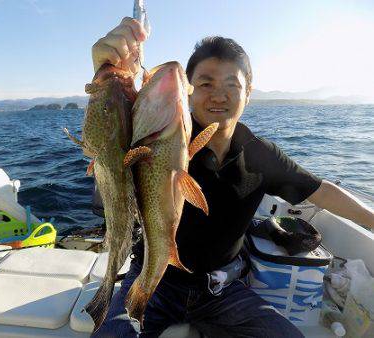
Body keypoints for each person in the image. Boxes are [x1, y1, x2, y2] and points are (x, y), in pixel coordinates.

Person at [90, 17, 374, 338]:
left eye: (232, 85)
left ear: (248, 93)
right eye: (206, 83)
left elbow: (319, 190)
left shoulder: (260, 154)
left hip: (222, 289)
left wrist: (371, 220)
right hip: (154, 279)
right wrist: (107, 75)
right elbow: (112, 160)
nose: (219, 95)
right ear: (188, 90)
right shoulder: (159, 141)